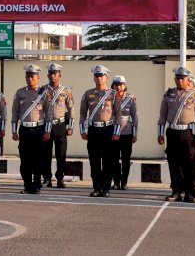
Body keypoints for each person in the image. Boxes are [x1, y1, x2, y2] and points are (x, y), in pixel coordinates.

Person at [157, 66, 195, 203]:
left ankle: (190, 193)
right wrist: (160, 134)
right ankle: (176, 191)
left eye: (183, 78)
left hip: (188, 133)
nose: (180, 81)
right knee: (174, 163)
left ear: (187, 79)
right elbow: (162, 116)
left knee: (189, 164)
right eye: (178, 78)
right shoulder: (168, 94)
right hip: (173, 132)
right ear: (175, 79)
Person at [80, 64, 120, 197]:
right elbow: (82, 113)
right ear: (94, 78)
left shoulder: (113, 94)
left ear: (106, 77)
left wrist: (117, 132)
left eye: (101, 76)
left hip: (108, 129)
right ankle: (96, 188)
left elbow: (118, 114)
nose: (99, 78)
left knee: (108, 161)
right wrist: (82, 130)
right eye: (96, 76)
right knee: (94, 161)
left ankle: (106, 188)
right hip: (93, 130)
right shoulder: (88, 94)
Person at [12, 64, 48, 195]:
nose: (30, 79)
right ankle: (27, 185)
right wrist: (14, 131)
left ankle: (37, 185)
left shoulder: (44, 93)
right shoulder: (20, 92)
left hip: (38, 129)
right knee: (25, 160)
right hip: (25, 130)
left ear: (38, 77)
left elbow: (48, 113)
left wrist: (47, 131)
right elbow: (15, 113)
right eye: (27, 76)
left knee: (38, 159)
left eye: (32, 76)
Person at [42, 63, 74, 188]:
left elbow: (71, 109)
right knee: (45, 154)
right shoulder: (42, 90)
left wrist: (70, 126)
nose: (53, 75)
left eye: (55, 73)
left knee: (61, 154)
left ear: (59, 75)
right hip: (46, 126)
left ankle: (60, 178)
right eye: (51, 73)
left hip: (60, 124)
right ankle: (47, 178)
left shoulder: (66, 91)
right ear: (47, 75)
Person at [111, 75, 137, 190]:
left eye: (121, 84)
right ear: (113, 85)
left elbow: (135, 116)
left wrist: (135, 134)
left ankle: (124, 182)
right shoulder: (109, 97)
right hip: (112, 132)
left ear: (125, 85)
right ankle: (116, 182)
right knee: (114, 158)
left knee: (126, 159)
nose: (118, 87)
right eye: (116, 84)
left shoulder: (130, 98)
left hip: (127, 132)